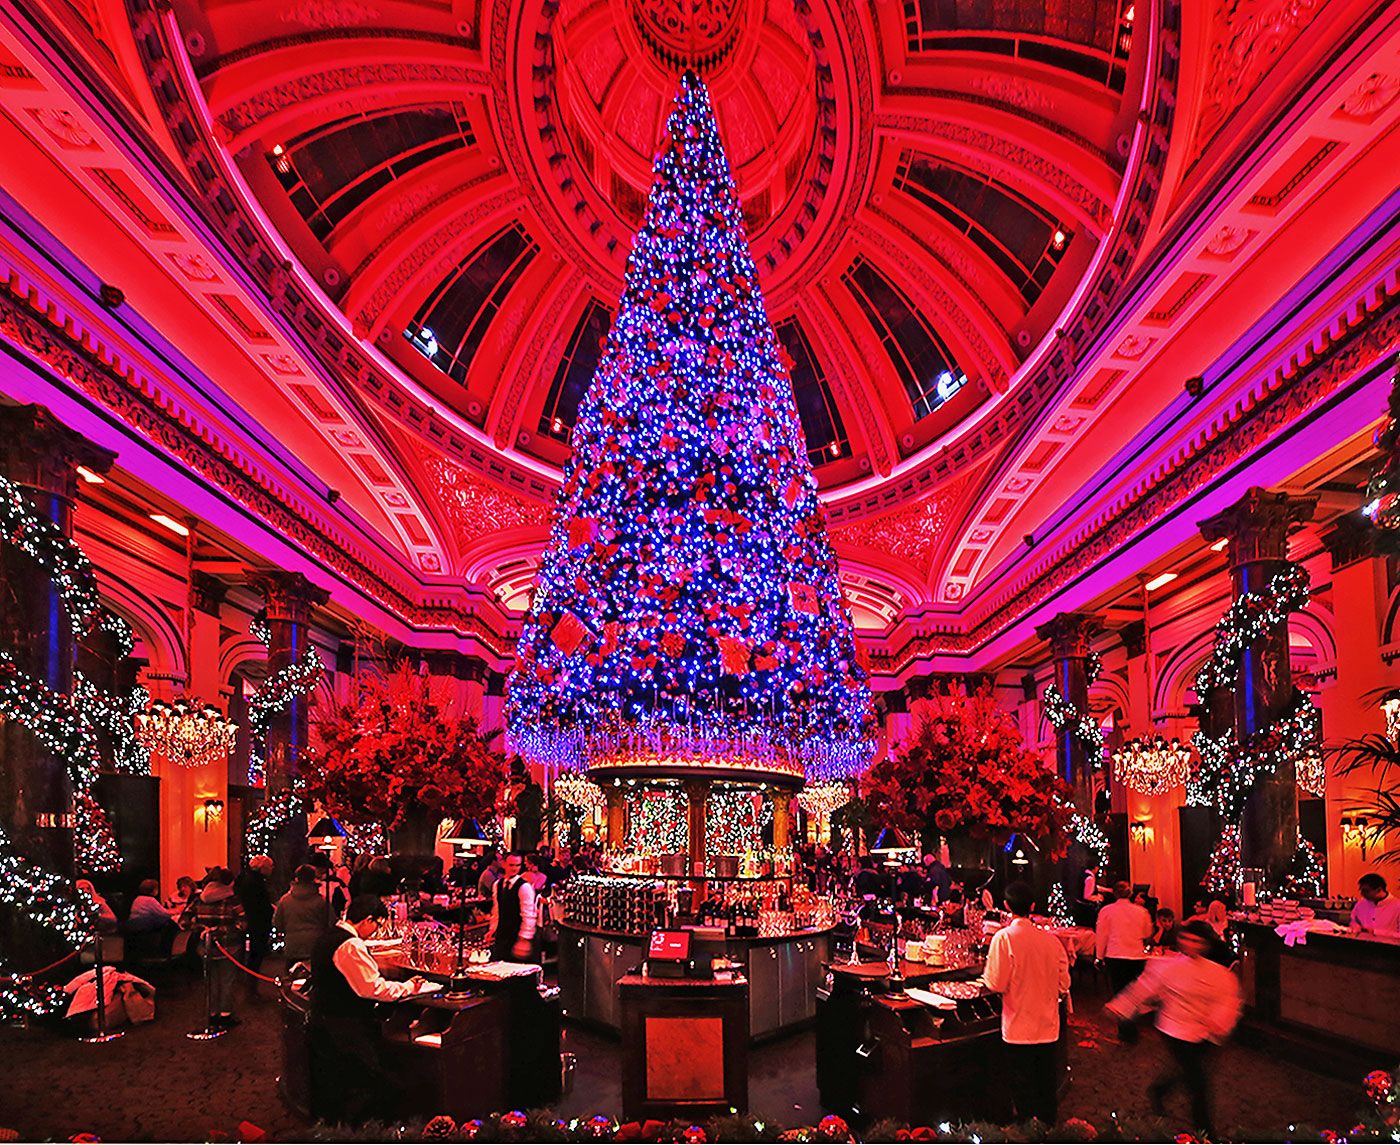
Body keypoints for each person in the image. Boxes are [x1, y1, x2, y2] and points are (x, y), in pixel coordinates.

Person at [1105, 919, 1243, 1137]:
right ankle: (1206, 1132)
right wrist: (1120, 1006)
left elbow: (1227, 1000)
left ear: (1205, 944)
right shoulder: (1167, 967)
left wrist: (1218, 1021)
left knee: (1189, 1070)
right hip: (1174, 1029)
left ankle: (1159, 1090)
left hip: (1204, 1033)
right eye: (1185, 938)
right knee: (1198, 1081)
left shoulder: (1219, 974)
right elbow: (1143, 989)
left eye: (1195, 941)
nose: (1189, 944)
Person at [308, 894, 430, 1122]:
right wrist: (408, 987)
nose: (375, 932)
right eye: (377, 925)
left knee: (339, 1082)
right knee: (368, 1083)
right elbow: (371, 988)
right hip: (344, 1025)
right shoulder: (350, 945)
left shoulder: (329, 935)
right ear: (368, 920)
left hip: (324, 1019)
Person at [981, 881, 1070, 1125]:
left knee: (1023, 1092)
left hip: (1018, 1027)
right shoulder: (1051, 941)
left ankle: (1026, 1136)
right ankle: (1050, 1134)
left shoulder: (1004, 938)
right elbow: (1064, 983)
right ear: (1032, 906)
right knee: (1045, 1089)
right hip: (1048, 1027)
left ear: (1006, 906)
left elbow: (996, 983)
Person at [193, 867, 245, 1028]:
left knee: (211, 980)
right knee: (227, 980)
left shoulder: (198, 899)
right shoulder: (232, 900)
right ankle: (225, 1015)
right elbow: (242, 924)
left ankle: (212, 1013)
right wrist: (221, 930)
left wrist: (202, 929)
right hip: (229, 947)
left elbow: (185, 921)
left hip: (205, 947)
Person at [1096, 880, 1153, 992]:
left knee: (1119, 991)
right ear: (1130, 893)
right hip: (1136, 956)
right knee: (1135, 991)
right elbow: (1147, 933)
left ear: (1115, 894)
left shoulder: (1106, 911)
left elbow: (1102, 935)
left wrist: (1099, 957)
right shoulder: (1142, 911)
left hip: (1115, 955)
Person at [485, 852, 538, 962]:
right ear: (504, 864)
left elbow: (529, 914)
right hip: (502, 934)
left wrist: (525, 939)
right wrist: (492, 929)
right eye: (511, 865)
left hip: (516, 934)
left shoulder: (524, 887)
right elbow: (496, 910)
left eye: (517, 865)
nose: (514, 869)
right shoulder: (497, 885)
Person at [274, 864, 332, 963]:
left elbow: (278, 923)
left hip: (292, 945)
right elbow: (330, 922)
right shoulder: (321, 901)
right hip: (315, 944)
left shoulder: (285, 900)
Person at [236, 854, 276, 974]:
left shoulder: (247, 879)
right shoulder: (256, 883)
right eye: (270, 866)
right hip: (257, 922)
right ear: (262, 868)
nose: (272, 868)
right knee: (256, 954)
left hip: (251, 920)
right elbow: (259, 905)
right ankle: (250, 982)